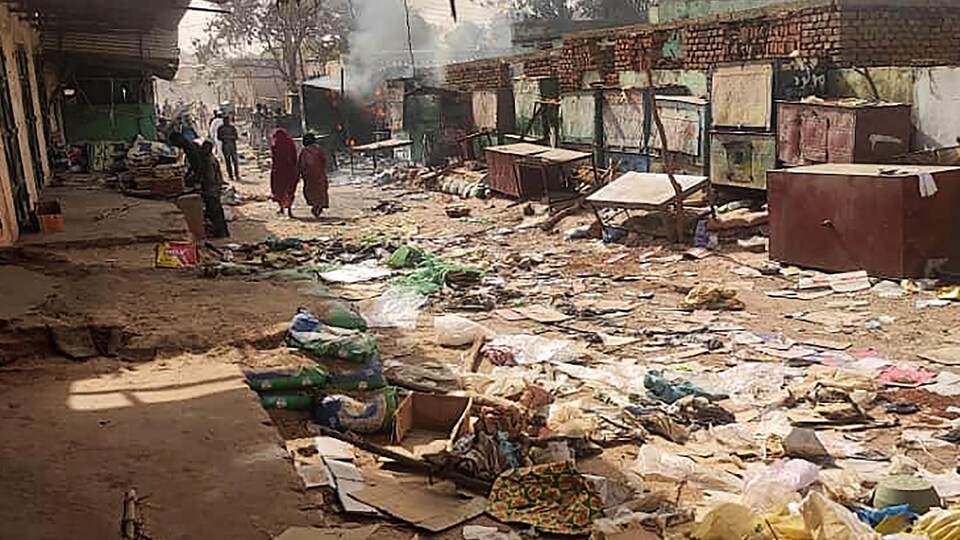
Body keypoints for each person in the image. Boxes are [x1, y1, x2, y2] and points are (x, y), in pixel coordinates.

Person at [198, 141, 230, 238]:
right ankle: (223, 231)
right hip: (214, 188)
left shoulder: (208, 160)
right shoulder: (211, 158)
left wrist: (201, 183)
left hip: (211, 189)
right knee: (217, 211)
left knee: (214, 211)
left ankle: (220, 232)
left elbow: (210, 177)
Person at [298, 133, 329, 218]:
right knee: (320, 191)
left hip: (308, 175)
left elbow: (301, 163)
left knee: (311, 191)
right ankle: (318, 206)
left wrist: (300, 173)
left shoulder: (304, 151)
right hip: (319, 174)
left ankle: (316, 206)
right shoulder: (318, 149)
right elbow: (324, 160)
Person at [270, 128, 299, 217]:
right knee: (290, 190)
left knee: (279, 190)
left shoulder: (275, 144)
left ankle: (281, 208)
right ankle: (289, 210)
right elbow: (295, 156)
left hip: (278, 171)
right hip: (290, 170)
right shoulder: (290, 142)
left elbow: (274, 158)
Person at [217, 115, 240, 182]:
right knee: (228, 161)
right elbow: (219, 137)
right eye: (225, 121)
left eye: (227, 120)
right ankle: (231, 175)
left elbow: (236, 137)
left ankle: (236, 175)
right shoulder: (220, 128)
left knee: (235, 161)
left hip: (232, 146)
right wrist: (227, 137)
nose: (226, 122)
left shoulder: (232, 128)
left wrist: (228, 137)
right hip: (225, 146)